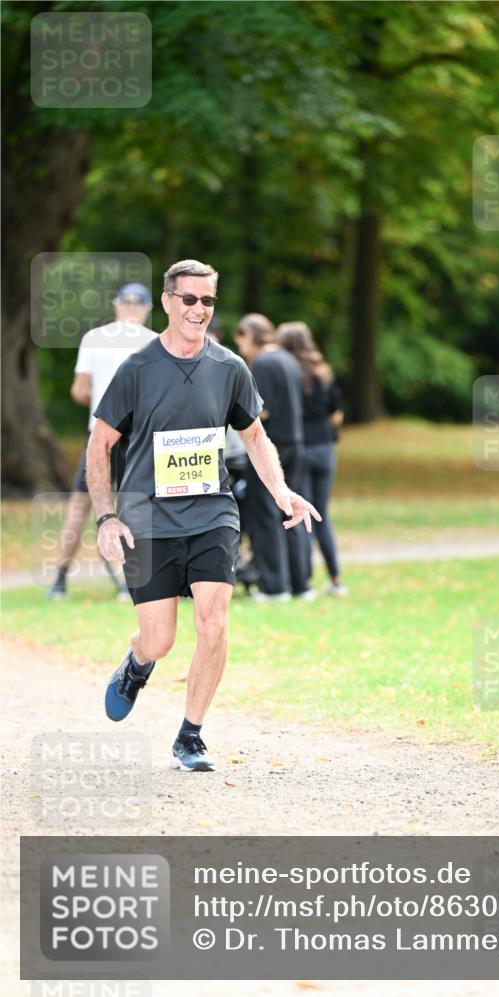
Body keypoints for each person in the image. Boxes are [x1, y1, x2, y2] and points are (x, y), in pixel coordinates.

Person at [87, 260, 320, 772]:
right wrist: (107, 517)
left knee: (213, 622)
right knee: (160, 639)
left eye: (207, 301)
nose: (198, 309)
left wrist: (282, 492)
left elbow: (254, 436)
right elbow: (99, 444)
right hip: (147, 519)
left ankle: (190, 735)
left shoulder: (231, 368)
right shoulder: (137, 370)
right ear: (168, 301)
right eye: (188, 299)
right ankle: (138, 661)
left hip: (213, 513)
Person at [47, 283, 155, 600]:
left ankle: (59, 581)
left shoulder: (94, 338)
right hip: (138, 436)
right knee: (135, 504)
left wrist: (103, 404)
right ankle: (131, 581)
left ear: (116, 305)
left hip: (100, 435)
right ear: (147, 308)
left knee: (80, 505)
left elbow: (79, 391)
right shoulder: (154, 343)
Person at [234, 314, 314, 602]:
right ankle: (300, 583)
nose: (242, 349)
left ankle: (274, 586)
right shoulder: (288, 359)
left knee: (265, 515)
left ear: (250, 335)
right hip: (295, 442)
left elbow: (261, 411)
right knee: (292, 513)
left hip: (271, 448)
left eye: (241, 340)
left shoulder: (264, 364)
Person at [277, 322, 347, 597]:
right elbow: (337, 414)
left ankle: (304, 579)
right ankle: (336, 578)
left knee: (301, 513)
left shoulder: (289, 373)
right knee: (323, 516)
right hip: (326, 449)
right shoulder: (324, 372)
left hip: (301, 448)